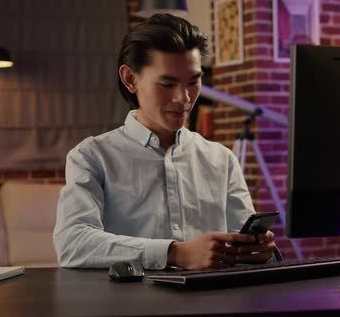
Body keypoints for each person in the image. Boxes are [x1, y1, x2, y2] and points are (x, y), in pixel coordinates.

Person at [53, 14, 277, 270]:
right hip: (129, 306)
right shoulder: (92, 157)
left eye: (193, 81)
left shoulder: (221, 159)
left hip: (213, 306)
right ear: (130, 79)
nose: (184, 98)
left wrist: (258, 251)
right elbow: (72, 243)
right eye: (167, 83)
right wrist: (175, 253)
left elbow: (242, 243)